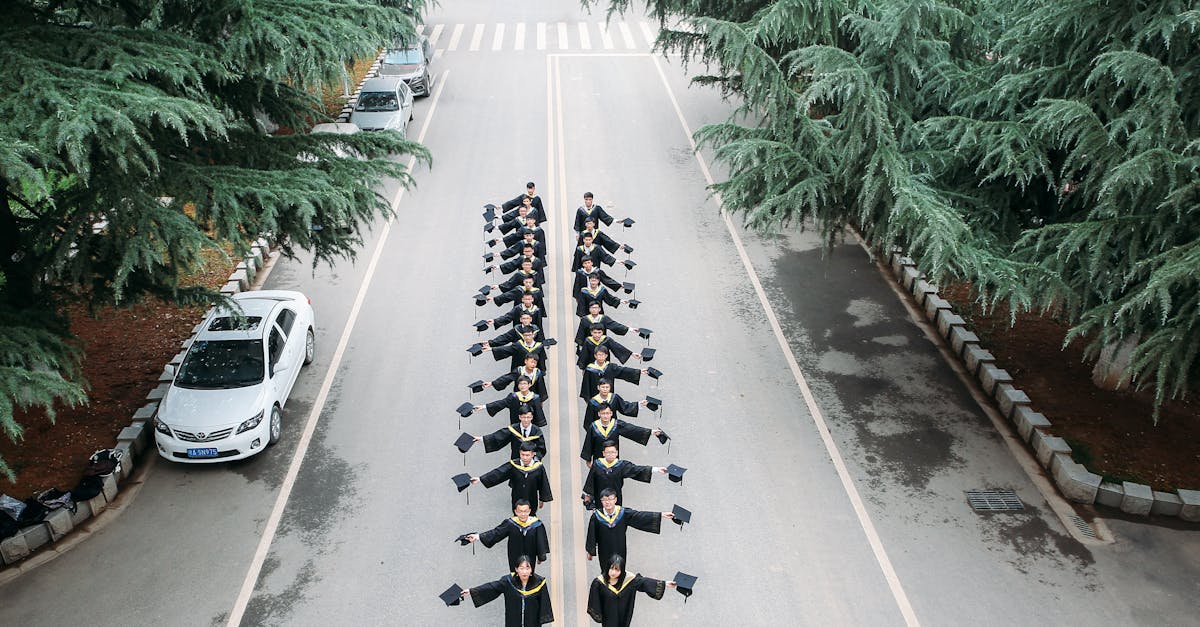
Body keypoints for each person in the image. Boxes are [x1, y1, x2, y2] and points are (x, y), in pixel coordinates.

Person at [584, 489, 674, 573]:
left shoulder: (623, 513)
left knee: (619, 570)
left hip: (620, 548)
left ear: (615, 500)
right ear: (601, 501)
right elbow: (592, 533)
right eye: (604, 500)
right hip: (604, 550)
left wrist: (661, 515)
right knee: (606, 571)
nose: (608, 502)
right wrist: (590, 551)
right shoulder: (597, 516)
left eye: (610, 499)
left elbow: (640, 516)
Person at [461, 555, 554, 626]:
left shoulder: (539, 583)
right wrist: (471, 591)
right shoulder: (508, 581)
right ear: (516, 569)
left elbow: (544, 602)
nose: (524, 571)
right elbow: (492, 587)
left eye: (527, 568)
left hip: (532, 623)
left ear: (531, 569)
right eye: (521, 568)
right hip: (513, 622)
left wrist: (543, 619)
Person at [586, 555, 676, 627]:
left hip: (624, 617)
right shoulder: (599, 582)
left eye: (617, 569)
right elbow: (594, 600)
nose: (613, 572)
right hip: (609, 618)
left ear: (622, 570)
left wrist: (665, 583)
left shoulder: (629, 580)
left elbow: (644, 582)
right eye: (611, 568)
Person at [461, 500, 549, 571]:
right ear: (515, 511)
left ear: (529, 511)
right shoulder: (510, 523)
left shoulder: (536, 524)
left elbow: (540, 540)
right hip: (515, 556)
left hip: (530, 556)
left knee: (529, 575)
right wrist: (477, 537)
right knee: (515, 576)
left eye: (525, 511)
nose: (523, 514)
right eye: (520, 511)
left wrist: (541, 556)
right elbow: (496, 533)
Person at [471, 443, 554, 515]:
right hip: (517, 497)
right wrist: (481, 479)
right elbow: (499, 472)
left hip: (531, 497)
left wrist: (542, 499)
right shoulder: (514, 465)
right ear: (519, 453)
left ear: (532, 454)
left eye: (527, 455)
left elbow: (543, 483)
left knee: (531, 516)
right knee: (517, 516)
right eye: (522, 455)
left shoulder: (538, 467)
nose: (524, 458)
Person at [581, 441, 666, 507]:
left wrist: (656, 469)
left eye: (613, 452)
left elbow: (637, 469)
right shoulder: (597, 464)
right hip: (600, 499)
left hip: (615, 499)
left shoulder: (621, 465)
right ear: (603, 453)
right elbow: (591, 482)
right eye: (608, 452)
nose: (610, 455)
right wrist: (588, 497)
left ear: (617, 453)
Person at [580, 405, 664, 465]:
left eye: (607, 413)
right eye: (603, 413)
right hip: (598, 459)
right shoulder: (594, 426)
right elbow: (588, 443)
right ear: (599, 414)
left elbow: (632, 429)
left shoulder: (616, 424)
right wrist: (588, 460)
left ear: (611, 413)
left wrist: (651, 432)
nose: (605, 416)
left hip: (613, 459)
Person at [471, 407, 547, 459]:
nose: (526, 420)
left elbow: (542, 449)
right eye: (524, 417)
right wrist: (482, 439)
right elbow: (498, 436)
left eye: (528, 417)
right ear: (520, 417)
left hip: (532, 462)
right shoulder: (514, 429)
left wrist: (533, 459)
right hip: (516, 460)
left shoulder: (537, 432)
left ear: (532, 417)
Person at [473, 376, 548, 426]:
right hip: (516, 427)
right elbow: (501, 403)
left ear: (529, 385)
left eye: (525, 384)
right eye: (520, 384)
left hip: (531, 427)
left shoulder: (535, 398)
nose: (522, 386)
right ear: (518, 386)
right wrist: (483, 407)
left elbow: (538, 415)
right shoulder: (513, 397)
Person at [580, 346, 645, 399]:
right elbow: (586, 386)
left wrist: (639, 371)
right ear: (595, 356)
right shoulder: (590, 369)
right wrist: (588, 402)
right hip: (595, 398)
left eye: (603, 355)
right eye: (599, 355)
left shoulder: (610, 367)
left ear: (606, 356)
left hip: (608, 397)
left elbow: (623, 371)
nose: (601, 357)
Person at [574, 300, 641, 346]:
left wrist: (630, 329)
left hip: (601, 345)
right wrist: (581, 346)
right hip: (589, 344)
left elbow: (615, 325)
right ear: (589, 309)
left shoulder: (604, 319)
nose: (594, 310)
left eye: (596, 308)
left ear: (599, 309)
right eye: (592, 308)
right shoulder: (585, 320)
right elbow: (581, 333)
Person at [576, 325, 643, 368]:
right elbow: (584, 354)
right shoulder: (588, 341)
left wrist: (631, 354)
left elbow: (617, 347)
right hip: (591, 365)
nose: (597, 335)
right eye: (595, 333)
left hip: (604, 364)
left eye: (599, 333)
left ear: (602, 332)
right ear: (591, 332)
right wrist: (583, 368)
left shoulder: (606, 340)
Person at [486, 327, 551, 371]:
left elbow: (541, 360)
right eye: (526, 335)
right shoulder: (518, 345)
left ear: (533, 335)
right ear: (523, 336)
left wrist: (542, 371)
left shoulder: (539, 346)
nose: (528, 337)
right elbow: (507, 349)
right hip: (521, 371)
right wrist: (492, 349)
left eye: (529, 335)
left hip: (534, 372)